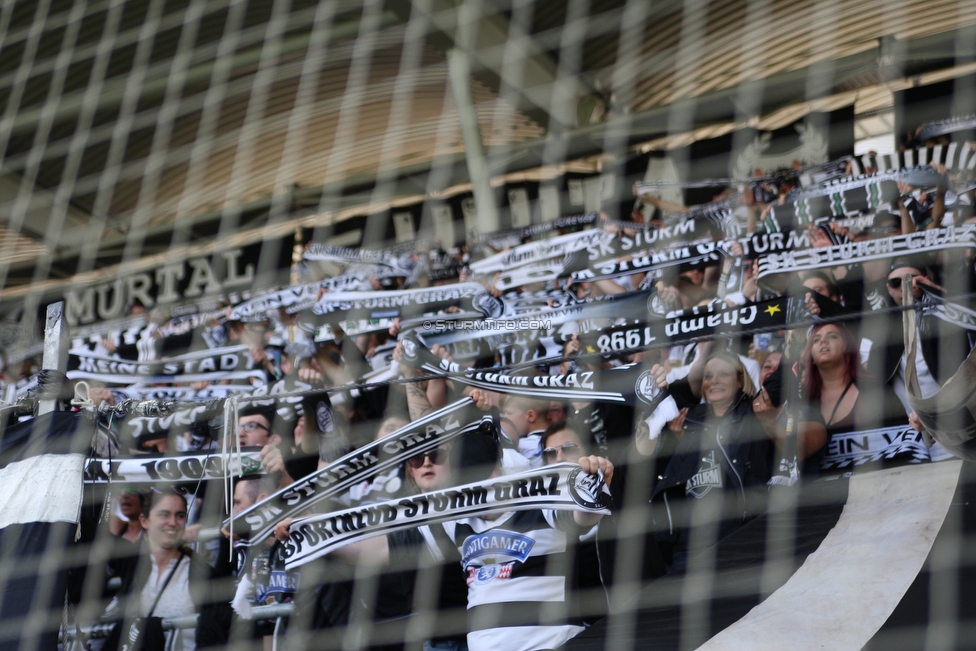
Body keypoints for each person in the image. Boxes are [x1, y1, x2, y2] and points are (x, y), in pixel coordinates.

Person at [645, 352, 775, 568]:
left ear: (740, 380)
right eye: (708, 376)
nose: (714, 381)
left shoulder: (754, 415)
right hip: (687, 546)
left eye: (723, 374)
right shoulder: (689, 420)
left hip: (736, 539)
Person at [105, 487, 218, 651]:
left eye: (180, 515)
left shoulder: (202, 572)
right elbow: (92, 534)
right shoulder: (132, 562)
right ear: (144, 520)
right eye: (164, 514)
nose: (172, 522)